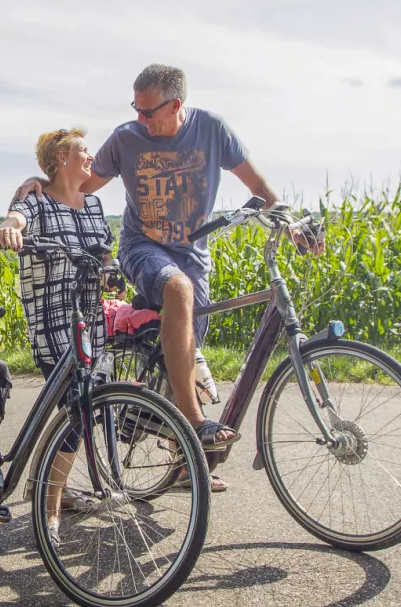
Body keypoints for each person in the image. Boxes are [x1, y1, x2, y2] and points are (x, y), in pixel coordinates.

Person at [14, 64, 284, 491]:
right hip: (143, 248)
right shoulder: (126, 139)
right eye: (136, 110)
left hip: (194, 256)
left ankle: (182, 467)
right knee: (178, 289)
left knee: (187, 353)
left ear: (175, 104)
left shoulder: (212, 130)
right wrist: (40, 184)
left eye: (148, 113)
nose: (140, 120)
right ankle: (194, 423)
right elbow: (80, 186)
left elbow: (256, 184)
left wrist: (287, 217)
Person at [0, 127, 112, 543]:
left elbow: (105, 253)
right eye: (83, 151)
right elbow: (18, 216)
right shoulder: (37, 200)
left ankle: (46, 484)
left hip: (91, 320)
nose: (90, 156)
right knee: (77, 411)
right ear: (61, 158)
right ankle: (49, 510)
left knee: (90, 406)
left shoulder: (94, 204)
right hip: (53, 320)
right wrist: (11, 225)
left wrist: (112, 272)